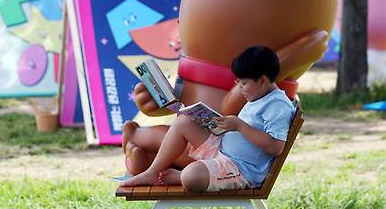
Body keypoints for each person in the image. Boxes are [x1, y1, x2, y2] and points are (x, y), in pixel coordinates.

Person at [122, 46, 296, 191]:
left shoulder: (277, 105)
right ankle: (153, 171)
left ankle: (181, 176)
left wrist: (238, 125)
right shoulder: (259, 96)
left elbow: (275, 147)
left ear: (263, 81)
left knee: (191, 177)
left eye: (243, 83)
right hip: (223, 150)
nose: (239, 88)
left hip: (240, 169)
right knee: (183, 121)